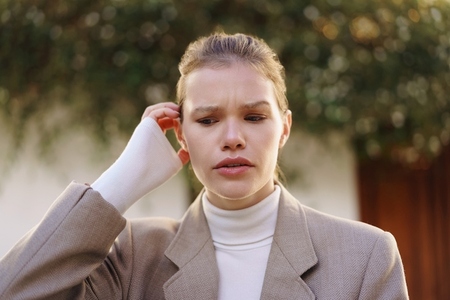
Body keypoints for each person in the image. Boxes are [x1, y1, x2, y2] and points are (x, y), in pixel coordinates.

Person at [0, 32, 408, 299]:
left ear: (284, 129)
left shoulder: (367, 256)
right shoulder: (133, 255)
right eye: (207, 120)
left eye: (253, 117)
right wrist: (121, 180)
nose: (232, 137)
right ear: (181, 134)